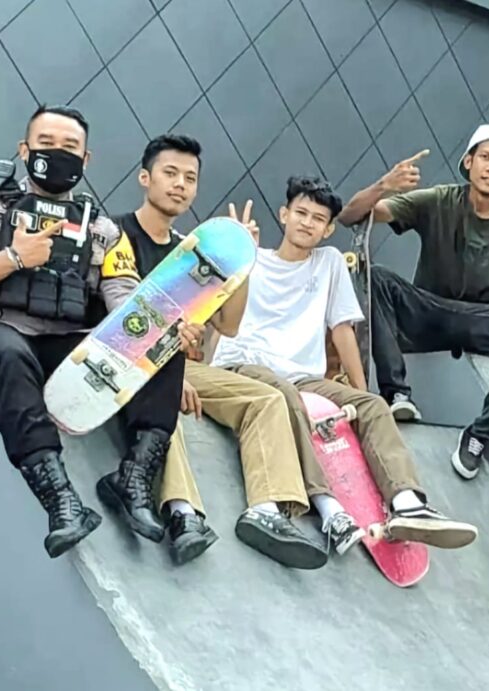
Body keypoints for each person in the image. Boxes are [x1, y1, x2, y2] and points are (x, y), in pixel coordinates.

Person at [0, 106, 194, 559]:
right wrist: (12, 258)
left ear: (86, 159)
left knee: (161, 342)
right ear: (24, 150)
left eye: (69, 147)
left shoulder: (103, 231)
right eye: (46, 143)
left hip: (63, 347)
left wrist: (166, 330)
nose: (57, 153)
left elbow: (124, 297)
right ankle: (60, 500)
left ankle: (133, 478)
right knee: (7, 350)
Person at [210, 175, 479, 553]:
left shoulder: (330, 263)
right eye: (301, 213)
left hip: (301, 375)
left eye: (318, 219)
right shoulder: (254, 259)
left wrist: (360, 394)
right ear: (284, 215)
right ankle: (327, 505)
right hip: (246, 364)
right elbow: (217, 321)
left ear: (328, 229)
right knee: (283, 394)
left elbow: (343, 331)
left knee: (373, 405)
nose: (307, 223)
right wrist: (238, 256)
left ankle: (407, 504)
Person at [128, 135, 328, 568]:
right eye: (170, 173)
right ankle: (182, 512)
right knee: (162, 399)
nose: (180, 184)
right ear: (145, 177)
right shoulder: (116, 235)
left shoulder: (191, 253)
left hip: (181, 366)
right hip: (131, 364)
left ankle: (267, 510)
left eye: (190, 178)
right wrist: (169, 375)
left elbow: (229, 323)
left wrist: (242, 262)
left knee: (267, 399)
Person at [339, 123, 489, 481]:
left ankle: (482, 433)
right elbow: (350, 217)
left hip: (477, 321)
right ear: (469, 161)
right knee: (378, 277)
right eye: (485, 157)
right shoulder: (440, 199)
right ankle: (396, 394)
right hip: (426, 311)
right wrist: (384, 185)